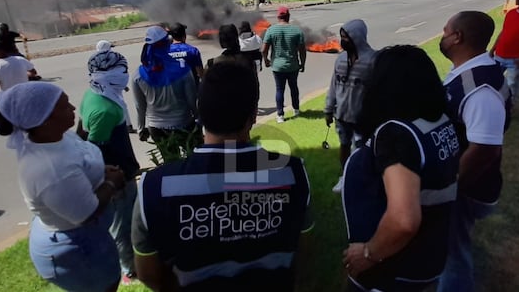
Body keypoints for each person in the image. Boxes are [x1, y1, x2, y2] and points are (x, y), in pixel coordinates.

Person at [132, 62, 313, 291]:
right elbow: (305, 250)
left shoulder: (154, 188)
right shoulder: (293, 173)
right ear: (253, 115)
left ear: (199, 109)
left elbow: (147, 273)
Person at [341, 45, 459, 292]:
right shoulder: (440, 121)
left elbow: (404, 220)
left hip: (394, 268)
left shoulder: (396, 135)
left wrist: (368, 253)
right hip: (430, 254)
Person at [0, 82, 126, 292]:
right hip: (78, 247)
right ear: (45, 120)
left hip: (87, 236)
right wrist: (112, 183)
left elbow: (79, 159)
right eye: (65, 107)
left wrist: (100, 171)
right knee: (104, 287)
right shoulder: (51, 170)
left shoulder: (57, 137)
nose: (74, 108)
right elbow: (86, 213)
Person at [437, 11, 512, 292]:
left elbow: (484, 151)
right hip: (465, 184)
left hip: (466, 188)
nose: (442, 37)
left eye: (445, 32)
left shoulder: (479, 89)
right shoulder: (473, 73)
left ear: (457, 37)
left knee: (453, 253)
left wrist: (449, 188)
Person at [78, 48, 140, 285]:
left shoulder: (94, 94)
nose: (125, 75)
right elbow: (95, 150)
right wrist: (110, 178)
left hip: (117, 173)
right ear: (109, 74)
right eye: (121, 70)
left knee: (124, 221)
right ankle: (130, 269)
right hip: (117, 177)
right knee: (123, 225)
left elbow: (81, 131)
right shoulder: (106, 109)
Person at [324, 19, 375, 194]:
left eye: (346, 37)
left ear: (357, 37)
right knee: (344, 146)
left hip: (363, 117)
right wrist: (328, 109)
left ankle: (362, 179)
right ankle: (345, 177)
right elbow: (333, 86)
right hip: (342, 115)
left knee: (362, 150)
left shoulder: (372, 61)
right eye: (341, 37)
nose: (342, 41)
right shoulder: (340, 60)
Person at [133, 26, 199, 159]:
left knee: (171, 165)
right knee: (194, 163)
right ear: (167, 43)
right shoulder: (183, 69)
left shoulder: (139, 74)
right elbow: (192, 100)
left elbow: (140, 106)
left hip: (157, 128)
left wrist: (141, 128)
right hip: (184, 124)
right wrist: (198, 119)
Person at [262, 6, 306, 123]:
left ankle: (280, 115)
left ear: (278, 17)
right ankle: (296, 110)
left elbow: (264, 49)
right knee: (294, 88)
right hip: (293, 66)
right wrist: (303, 63)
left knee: (279, 89)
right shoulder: (297, 30)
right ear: (288, 16)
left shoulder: (271, 30)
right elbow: (302, 50)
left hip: (277, 66)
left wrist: (266, 60)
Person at [0, 41, 37, 107]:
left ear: (1, 51)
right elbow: (33, 72)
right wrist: (23, 75)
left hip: (9, 99)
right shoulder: (20, 59)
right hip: (26, 96)